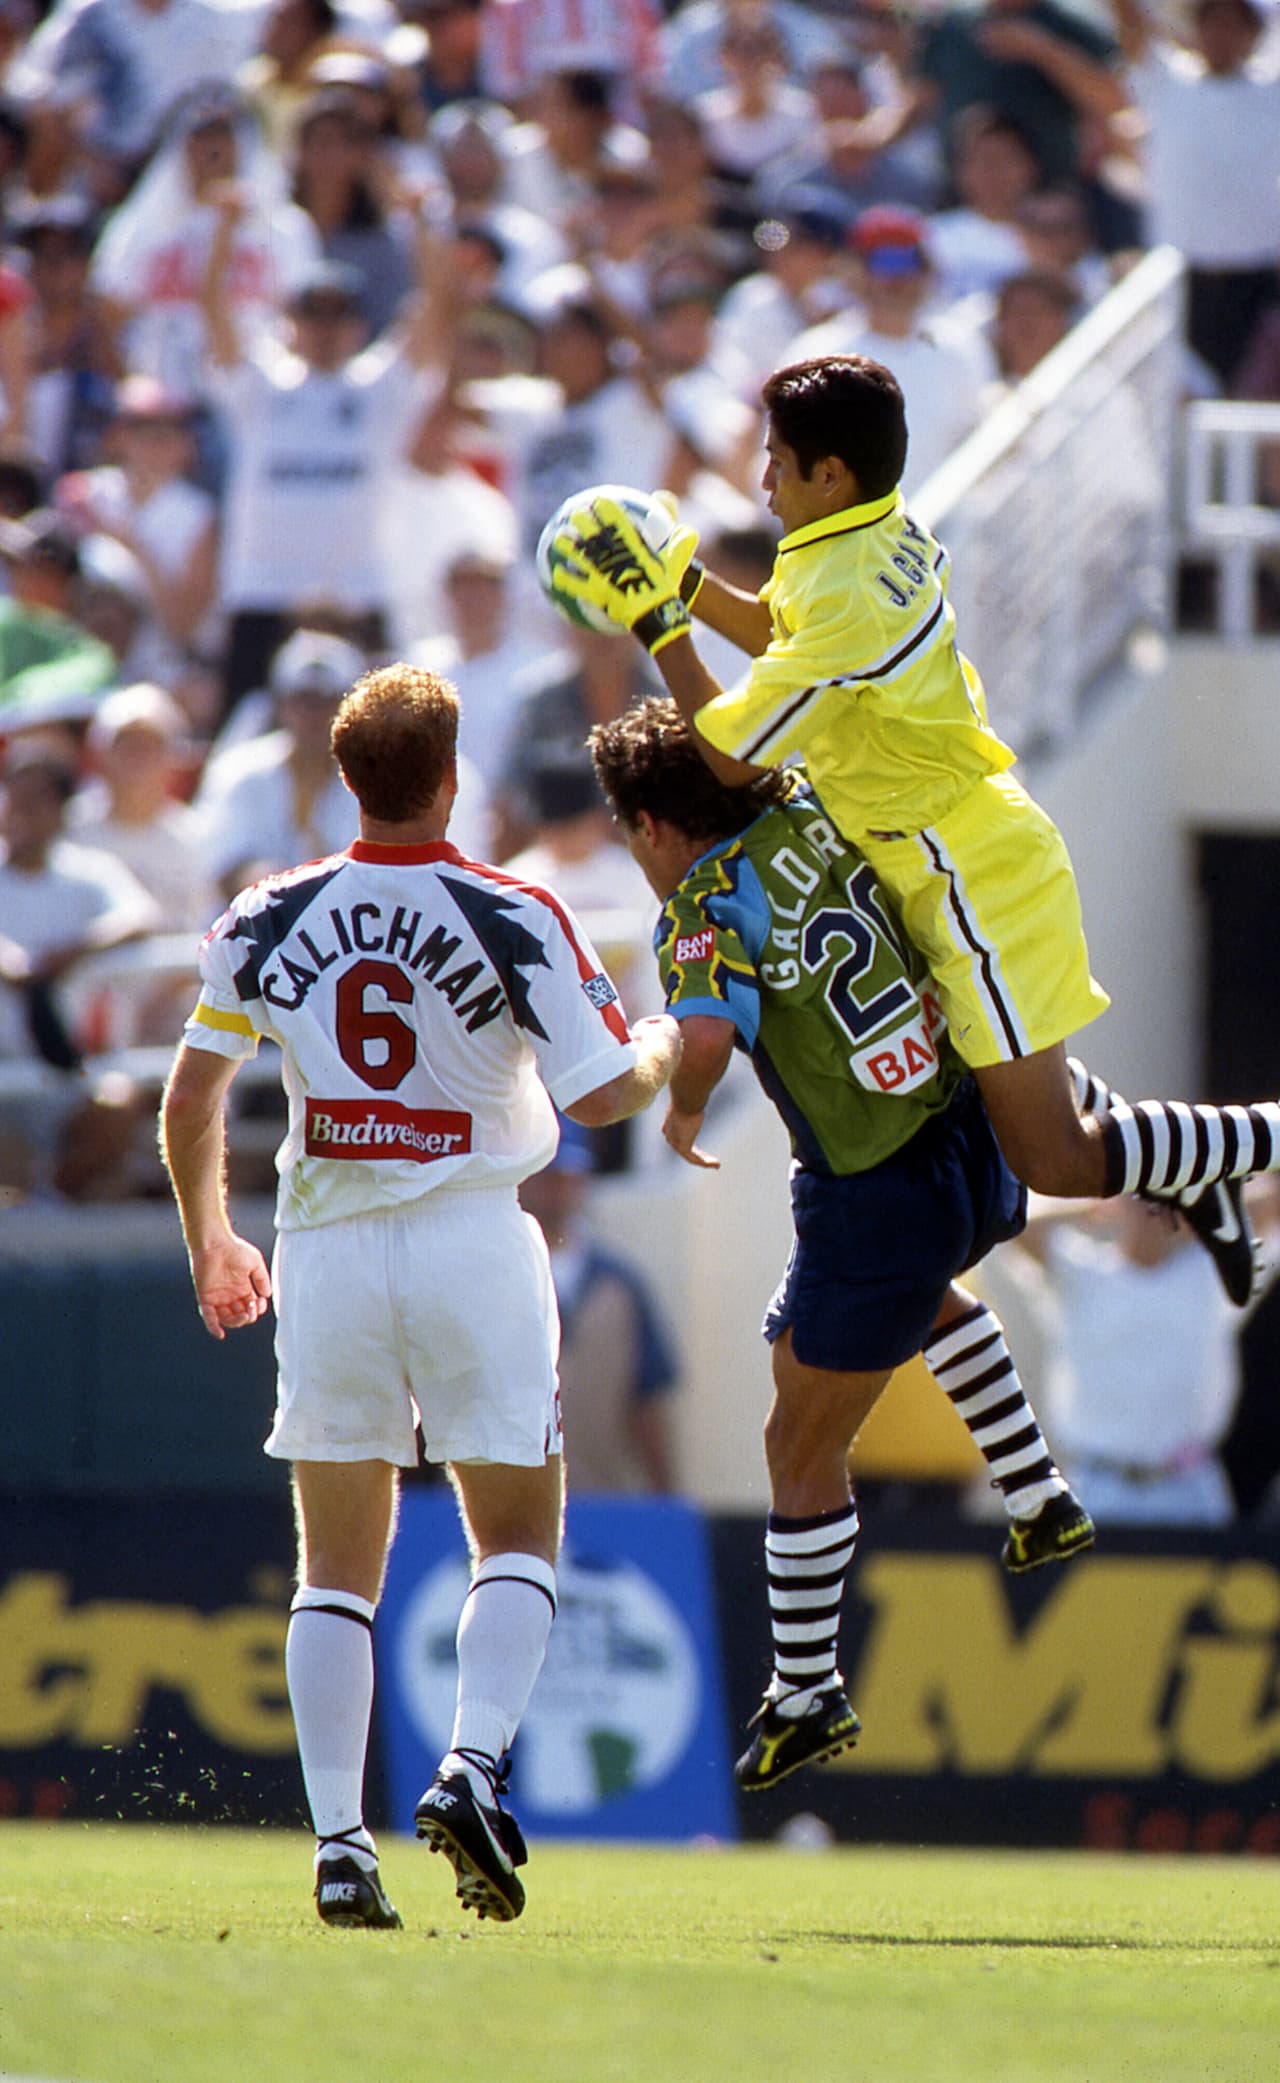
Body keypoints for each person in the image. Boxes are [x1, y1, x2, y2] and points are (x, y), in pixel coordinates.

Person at [552, 354, 1280, 1306]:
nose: (761, 478)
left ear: (830, 476)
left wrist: (657, 621)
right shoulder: (861, 532)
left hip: (966, 871)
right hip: (938, 853)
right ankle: (1191, 1173)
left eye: (777, 460)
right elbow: (783, 637)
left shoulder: (851, 590)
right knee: (1029, 1111)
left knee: (1053, 1158)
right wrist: (679, 578)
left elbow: (732, 756)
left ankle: (1228, 1152)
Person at [159, 660, 681, 1928]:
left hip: (328, 1245)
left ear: (345, 781)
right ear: (455, 780)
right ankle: (470, 1763)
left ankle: (341, 1843)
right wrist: (671, 1034)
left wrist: (213, 1245)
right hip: (470, 1240)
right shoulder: (515, 909)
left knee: (335, 1568)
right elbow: (602, 1095)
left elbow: (190, 1098)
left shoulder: (264, 913)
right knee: (515, 1534)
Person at [588, 698, 1092, 1793]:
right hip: (961, 1128)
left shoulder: (704, 903)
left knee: (796, 1445)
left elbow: (708, 1037)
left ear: (651, 824)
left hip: (874, 1193)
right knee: (912, 1305)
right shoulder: (812, 810)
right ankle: (1036, 1491)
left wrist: (680, 1106)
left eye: (627, 829)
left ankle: (806, 1691)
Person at [1006, 1182, 1280, 1523]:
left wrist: (1200, 1213)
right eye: (1142, 1201)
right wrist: (1095, 1203)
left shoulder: (1211, 1276)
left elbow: (1271, 1202)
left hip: (1190, 1488)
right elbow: (1015, 1224)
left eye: (1165, 1203)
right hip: (1099, 1487)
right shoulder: (1081, 1274)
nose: (1153, 1213)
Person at [518, 1125, 681, 1492]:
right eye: (548, 1175)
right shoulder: (492, 1280)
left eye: (568, 1175)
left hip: (600, 1501)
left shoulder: (621, 1285)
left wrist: (666, 1498)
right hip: (503, 1505)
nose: (558, 1188)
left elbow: (648, 1401)